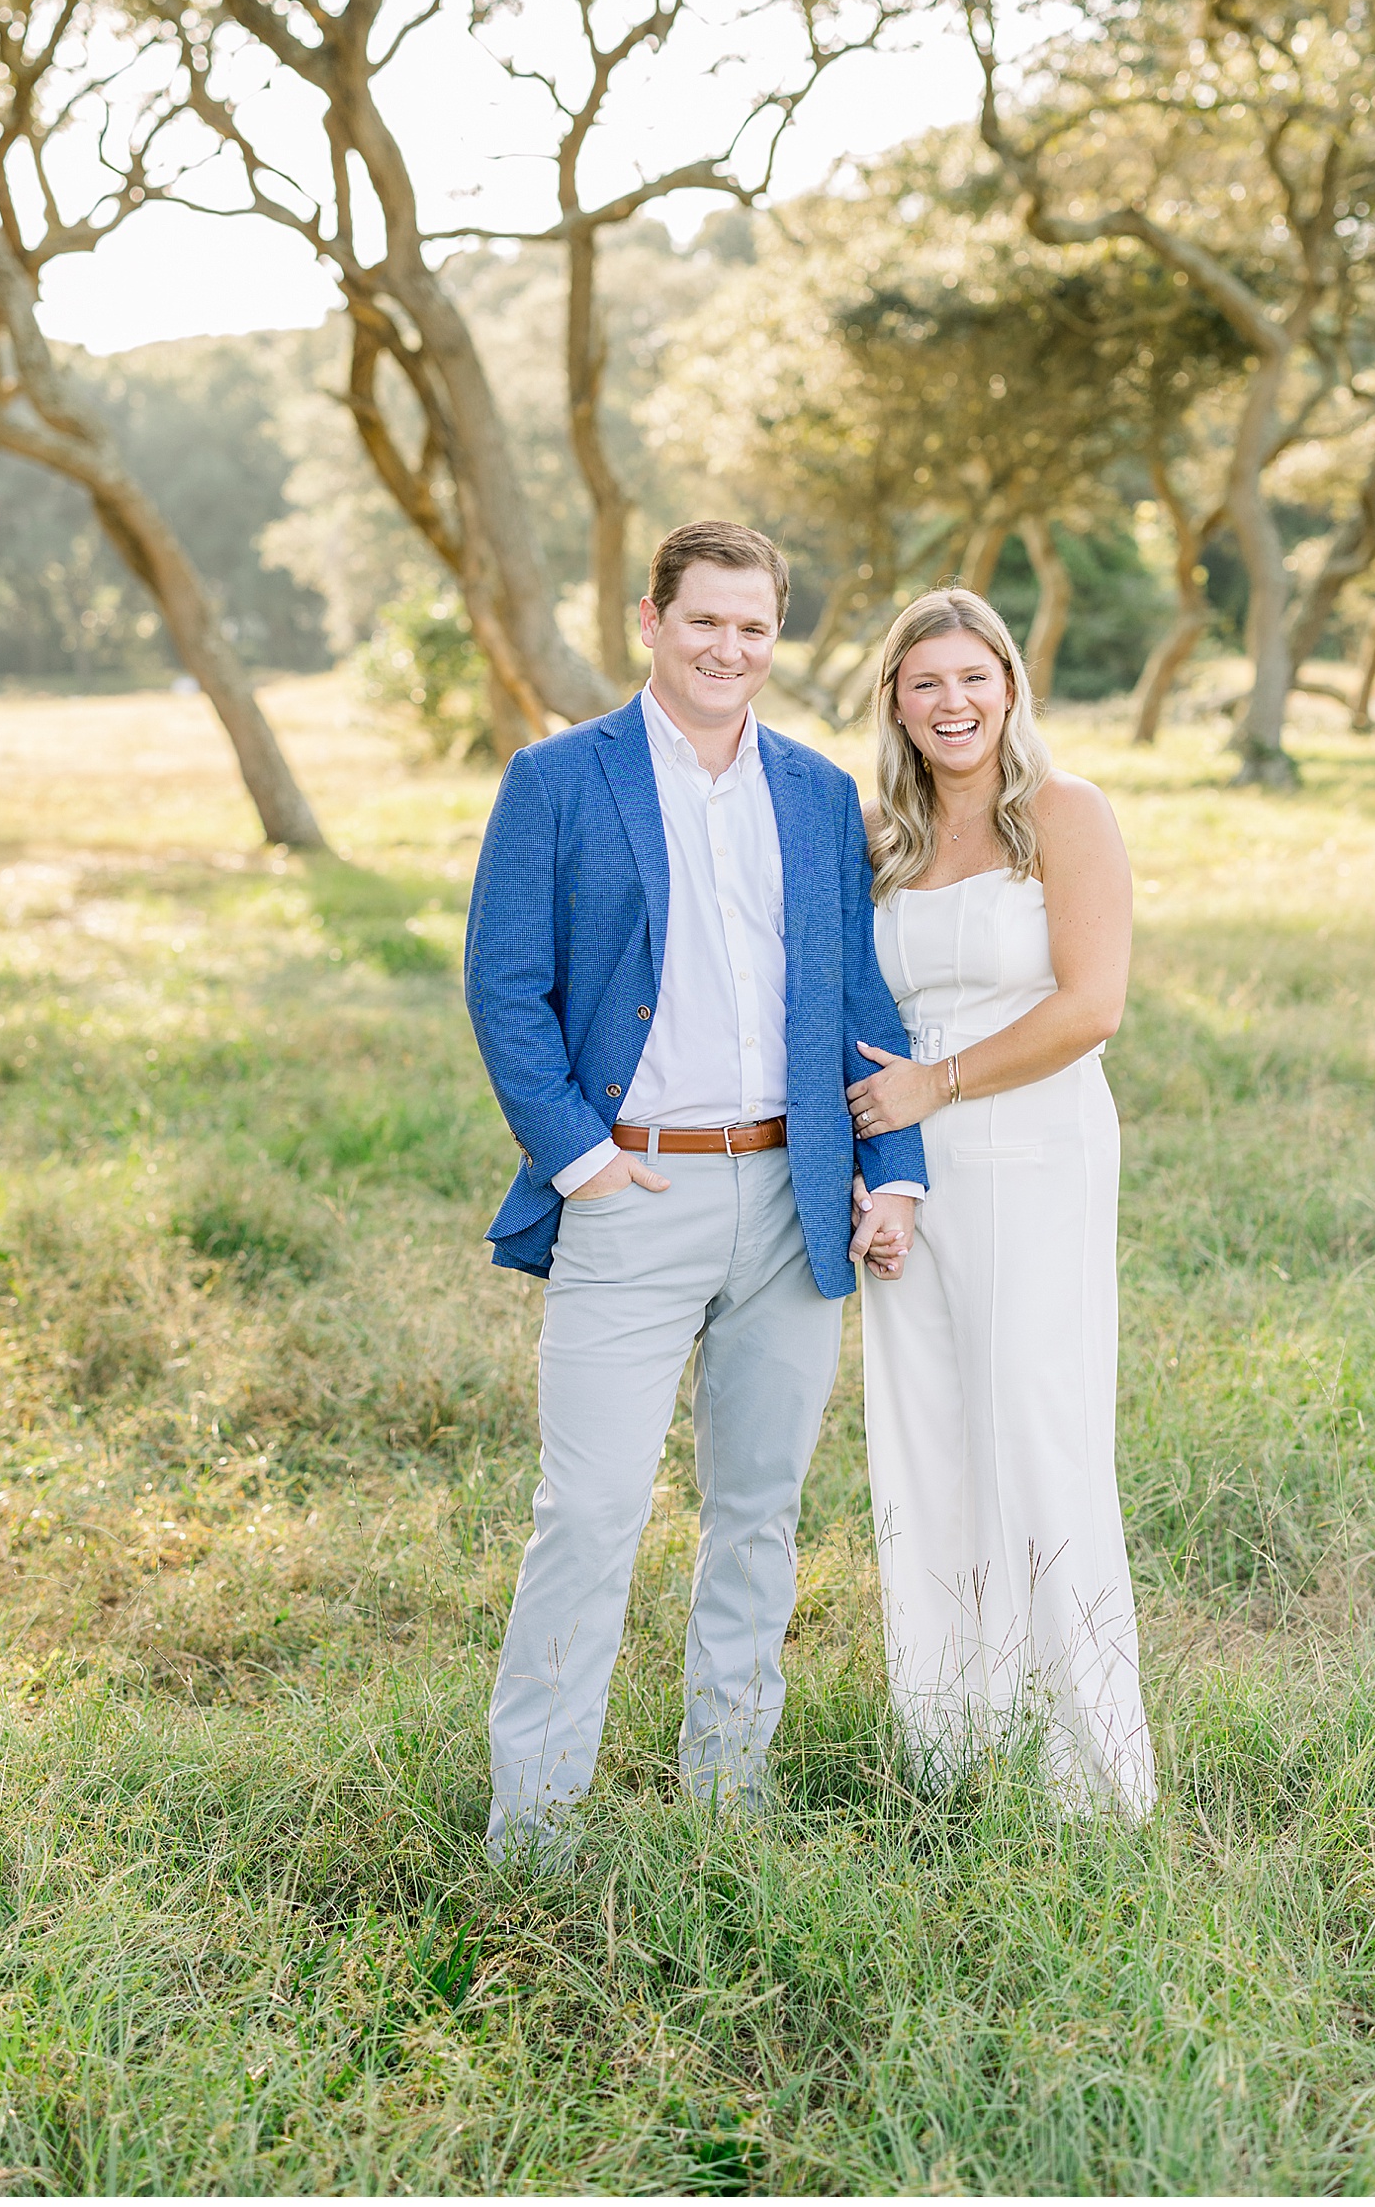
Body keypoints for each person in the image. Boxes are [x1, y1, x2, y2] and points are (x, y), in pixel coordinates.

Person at [464, 519, 926, 1861]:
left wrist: (891, 1171)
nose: (731, 648)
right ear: (651, 621)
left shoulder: (816, 791)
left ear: (777, 639)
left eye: (756, 627)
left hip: (793, 1196)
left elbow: (854, 996)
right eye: (706, 620)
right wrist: (584, 1160)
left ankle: (730, 1787)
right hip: (633, 1193)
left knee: (757, 1512)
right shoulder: (559, 780)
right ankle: (534, 1827)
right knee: (593, 1510)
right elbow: (507, 985)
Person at [846, 587, 1156, 1820]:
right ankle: (955, 1743)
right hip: (914, 1172)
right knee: (926, 1438)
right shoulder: (885, 836)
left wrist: (943, 1079)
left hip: (1035, 1150)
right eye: (927, 682)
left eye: (976, 676)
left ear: (1012, 686)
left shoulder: (1065, 815)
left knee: (1036, 1430)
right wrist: (889, 1160)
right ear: (896, 702)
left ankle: (1087, 1769)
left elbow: (1093, 1007)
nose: (954, 702)